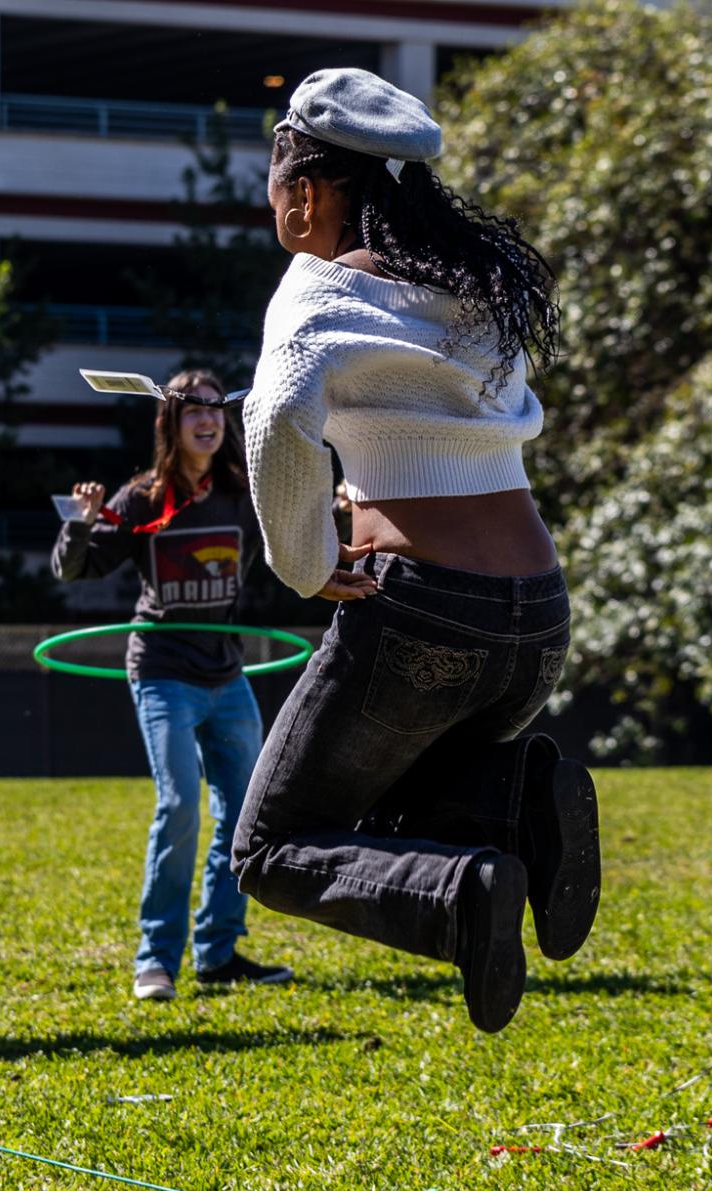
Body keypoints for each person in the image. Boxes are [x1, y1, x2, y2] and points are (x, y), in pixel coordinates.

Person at [233, 69, 602, 1036]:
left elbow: (274, 419)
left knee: (271, 847)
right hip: (537, 610)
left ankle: (467, 891)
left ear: (305, 191)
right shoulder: (478, 288)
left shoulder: (315, 292)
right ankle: (519, 801)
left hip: (426, 611)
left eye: (273, 189)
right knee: (381, 799)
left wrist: (305, 564)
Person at [53, 369, 295, 1002]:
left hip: (227, 674)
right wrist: (78, 522)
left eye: (217, 410)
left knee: (244, 819)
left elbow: (298, 529)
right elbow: (75, 568)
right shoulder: (141, 499)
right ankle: (155, 960)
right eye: (194, 412)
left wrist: (342, 506)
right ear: (171, 422)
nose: (208, 420)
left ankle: (218, 952)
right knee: (180, 806)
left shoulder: (243, 495)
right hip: (162, 674)